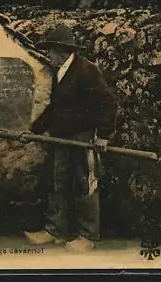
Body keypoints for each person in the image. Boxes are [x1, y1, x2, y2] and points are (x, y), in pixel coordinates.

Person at [24, 24, 118, 252]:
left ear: (63, 51)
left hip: (83, 137)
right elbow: (54, 109)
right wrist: (34, 130)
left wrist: (103, 136)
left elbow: (108, 104)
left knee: (84, 184)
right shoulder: (60, 73)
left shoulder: (86, 70)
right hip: (61, 138)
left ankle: (87, 236)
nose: (48, 55)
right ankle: (55, 230)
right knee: (58, 182)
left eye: (51, 50)